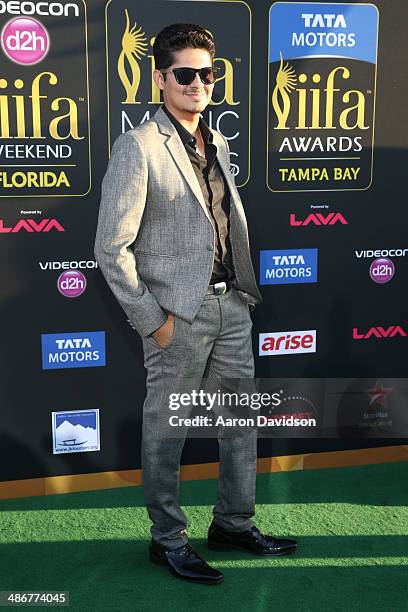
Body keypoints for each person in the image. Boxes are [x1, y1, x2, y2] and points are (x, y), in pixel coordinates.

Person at [94, 23, 298, 585]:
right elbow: (111, 249)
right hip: (175, 317)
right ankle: (168, 540)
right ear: (160, 78)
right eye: (185, 74)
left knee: (239, 426)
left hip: (232, 305)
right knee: (168, 430)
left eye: (207, 74)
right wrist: (152, 321)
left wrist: (240, 297)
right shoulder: (137, 148)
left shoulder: (218, 142)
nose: (198, 84)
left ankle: (233, 522)